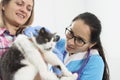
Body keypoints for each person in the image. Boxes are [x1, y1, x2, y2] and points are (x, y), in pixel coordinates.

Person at [53, 12, 110, 80]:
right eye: (71, 32)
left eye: (80, 40)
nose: (70, 42)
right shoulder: (60, 43)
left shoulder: (95, 63)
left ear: (92, 44)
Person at [0, 0, 41, 80]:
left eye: (29, 9)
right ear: (3, 5)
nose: (24, 10)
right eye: (19, 4)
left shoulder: (31, 38)